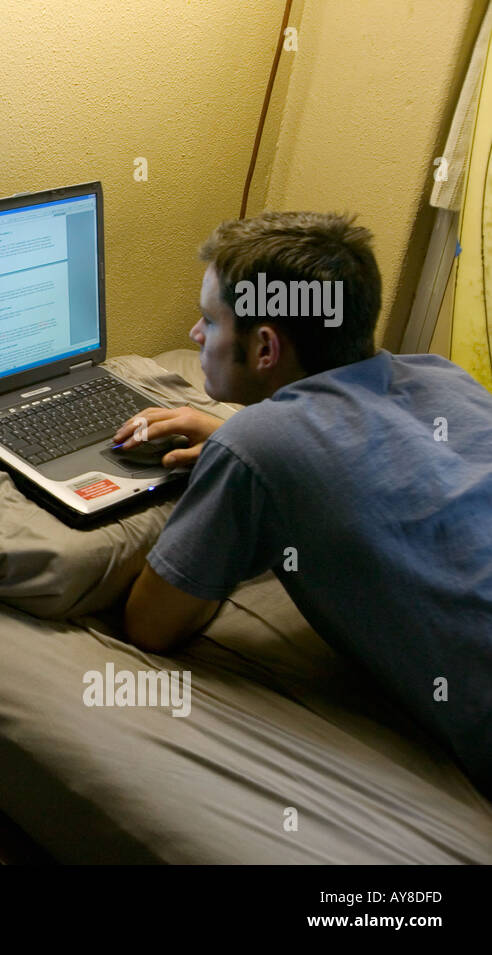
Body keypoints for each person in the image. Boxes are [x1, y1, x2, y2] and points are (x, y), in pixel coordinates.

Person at [116, 211, 492, 792]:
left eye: (210, 320)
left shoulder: (257, 447)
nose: (195, 337)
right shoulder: (443, 378)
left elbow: (150, 624)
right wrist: (236, 439)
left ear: (265, 347)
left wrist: (242, 458)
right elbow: (378, 456)